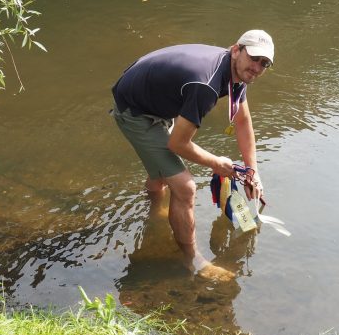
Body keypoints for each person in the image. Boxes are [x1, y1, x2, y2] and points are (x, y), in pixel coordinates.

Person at [110, 30, 274, 280]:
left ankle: (155, 210)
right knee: (186, 187)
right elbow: (178, 144)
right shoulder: (205, 85)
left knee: (164, 171)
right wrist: (217, 163)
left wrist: (253, 172)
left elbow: (243, 122)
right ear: (236, 50)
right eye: (254, 58)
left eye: (264, 63)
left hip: (153, 97)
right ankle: (192, 259)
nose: (257, 68)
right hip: (135, 111)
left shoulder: (237, 74)